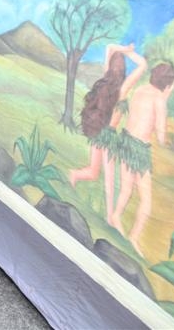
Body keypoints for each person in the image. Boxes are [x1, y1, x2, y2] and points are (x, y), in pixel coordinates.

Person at [69, 44, 146, 222]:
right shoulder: (124, 87)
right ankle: (110, 215)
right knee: (109, 179)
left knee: (94, 172)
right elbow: (143, 65)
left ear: (110, 66)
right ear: (123, 69)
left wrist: (123, 49)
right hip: (108, 136)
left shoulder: (105, 78)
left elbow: (109, 47)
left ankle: (74, 175)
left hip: (98, 132)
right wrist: (130, 52)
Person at [109, 62, 174, 258]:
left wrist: (163, 98)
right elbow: (161, 138)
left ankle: (115, 217)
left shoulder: (140, 90)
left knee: (126, 189)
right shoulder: (159, 100)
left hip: (126, 141)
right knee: (146, 200)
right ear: (168, 83)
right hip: (139, 149)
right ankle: (134, 237)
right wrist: (168, 139)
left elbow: (139, 116)